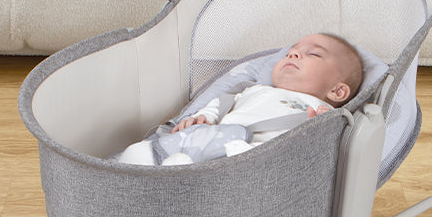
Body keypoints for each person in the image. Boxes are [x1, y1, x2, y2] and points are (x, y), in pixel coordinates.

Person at [118, 33, 363, 166]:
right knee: (145, 150)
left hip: (258, 156)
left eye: (314, 54)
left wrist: (325, 128)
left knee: (241, 161)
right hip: (213, 140)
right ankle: (145, 161)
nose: (293, 54)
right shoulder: (252, 90)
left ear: (337, 92)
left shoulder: (323, 112)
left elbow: (325, 157)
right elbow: (220, 103)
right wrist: (202, 117)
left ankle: (181, 173)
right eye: (290, 52)